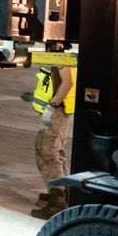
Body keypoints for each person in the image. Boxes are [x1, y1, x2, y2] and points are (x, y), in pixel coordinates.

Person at [28, 66, 76, 219]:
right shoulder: (62, 53)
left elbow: (68, 82)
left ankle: (57, 200)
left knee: (46, 151)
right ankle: (65, 192)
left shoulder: (59, 55)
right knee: (57, 150)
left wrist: (52, 106)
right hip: (62, 109)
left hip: (57, 111)